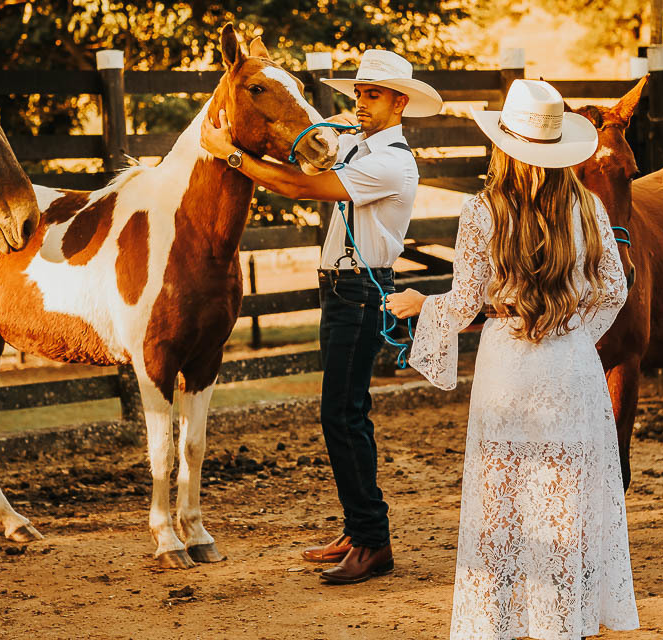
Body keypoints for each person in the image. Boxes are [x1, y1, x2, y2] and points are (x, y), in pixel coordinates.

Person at [386, 80, 639, 639]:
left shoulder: (483, 211)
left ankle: (502, 621)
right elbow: (615, 289)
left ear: (504, 145)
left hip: (508, 367)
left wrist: (417, 303)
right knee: (565, 496)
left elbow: (466, 300)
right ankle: (561, 622)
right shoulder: (589, 207)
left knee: (501, 495)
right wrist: (574, 334)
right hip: (571, 367)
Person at [200, 48, 442, 584]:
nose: (360, 102)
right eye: (358, 93)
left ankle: (373, 541)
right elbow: (302, 151)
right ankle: (359, 530)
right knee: (342, 412)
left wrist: (228, 155)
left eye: (372, 95)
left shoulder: (392, 163)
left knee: (344, 414)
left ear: (399, 102)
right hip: (340, 291)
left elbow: (299, 185)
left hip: (359, 293)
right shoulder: (355, 144)